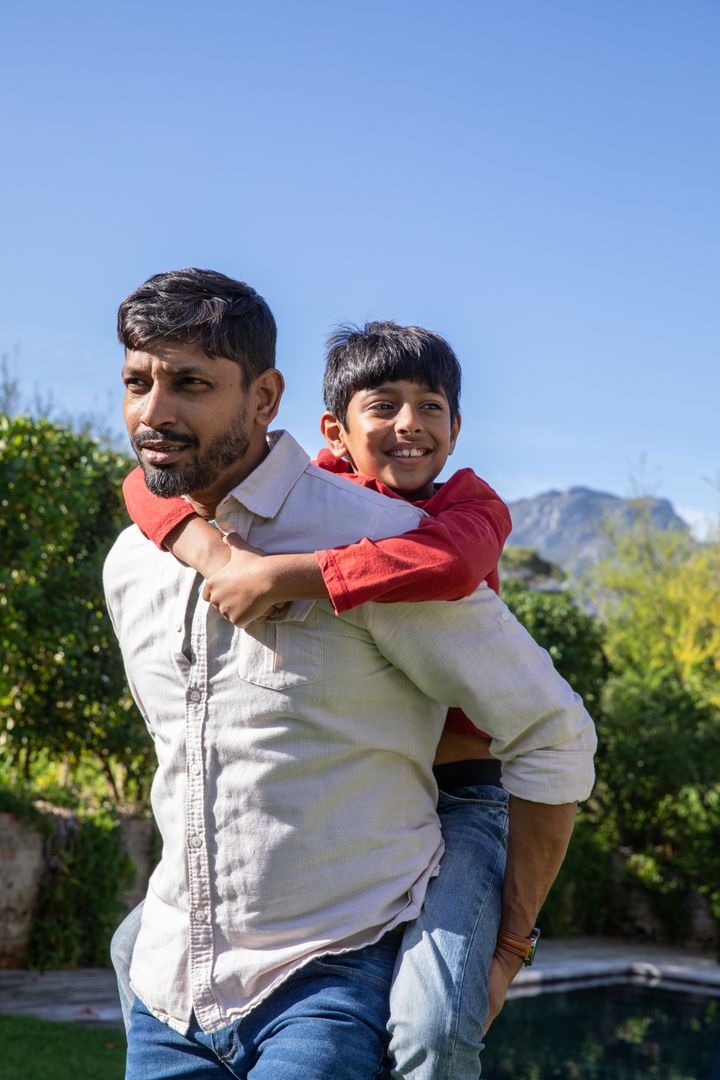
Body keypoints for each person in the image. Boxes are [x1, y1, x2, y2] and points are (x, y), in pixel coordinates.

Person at [105, 267, 596, 1080]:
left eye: (190, 384)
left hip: (341, 961)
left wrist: (510, 945)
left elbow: (552, 730)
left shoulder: (396, 536)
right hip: (172, 995)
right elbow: (145, 491)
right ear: (334, 426)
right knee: (133, 942)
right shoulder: (135, 561)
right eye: (135, 382)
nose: (154, 412)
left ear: (266, 399)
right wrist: (207, 547)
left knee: (436, 1026)